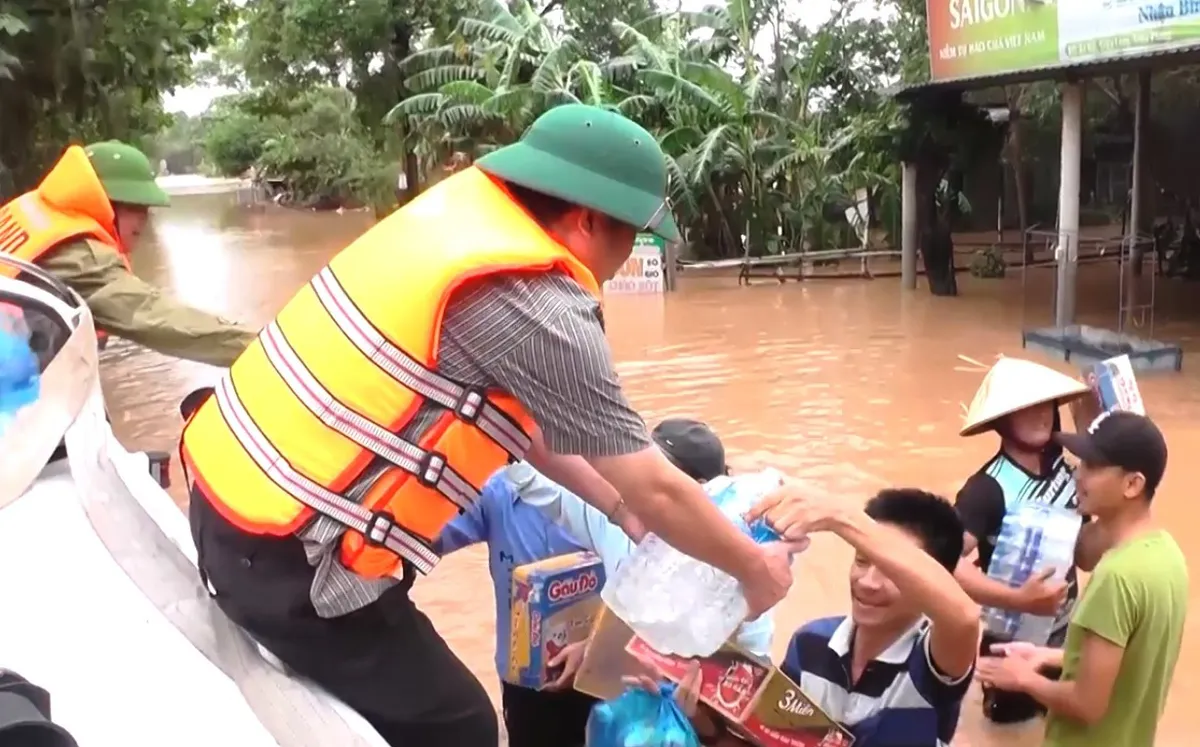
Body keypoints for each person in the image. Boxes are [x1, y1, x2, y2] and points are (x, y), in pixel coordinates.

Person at [180, 103, 798, 747]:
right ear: (588, 220)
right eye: (635, 234)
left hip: (226, 500)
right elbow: (659, 486)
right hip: (292, 560)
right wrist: (755, 570)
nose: (632, 255)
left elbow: (526, 429)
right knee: (461, 725)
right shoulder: (539, 300)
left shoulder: (449, 227)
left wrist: (617, 508)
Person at [650, 487, 980, 747]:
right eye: (862, 561)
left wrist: (841, 517)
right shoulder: (811, 642)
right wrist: (704, 724)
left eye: (892, 572)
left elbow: (964, 617)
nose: (867, 583)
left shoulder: (934, 661)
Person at [977, 411, 1186, 747]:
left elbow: (1086, 705)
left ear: (1132, 484)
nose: (1077, 474)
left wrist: (1024, 679)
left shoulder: (1116, 577)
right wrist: (1045, 656)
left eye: (1092, 466)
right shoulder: (1167, 554)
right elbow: (1133, 661)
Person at [507, 417, 775, 656]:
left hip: (704, 696)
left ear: (701, 492)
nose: (644, 483)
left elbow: (752, 652)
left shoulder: (736, 551)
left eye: (663, 479)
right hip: (630, 687)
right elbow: (532, 481)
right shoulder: (617, 518)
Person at [0, 141, 256, 365]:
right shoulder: (82, 256)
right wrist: (261, 348)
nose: (145, 220)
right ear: (105, 203)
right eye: (136, 206)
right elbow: (157, 318)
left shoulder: (30, 211)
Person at [954, 357, 1109, 723]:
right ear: (1002, 420)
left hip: (1068, 632)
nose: (1041, 416)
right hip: (1011, 643)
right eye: (1026, 408)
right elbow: (943, 562)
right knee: (1013, 731)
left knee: (1066, 724)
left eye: (1046, 405)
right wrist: (1017, 599)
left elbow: (1084, 558)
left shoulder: (1068, 470)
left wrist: (1121, 515)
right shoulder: (986, 489)